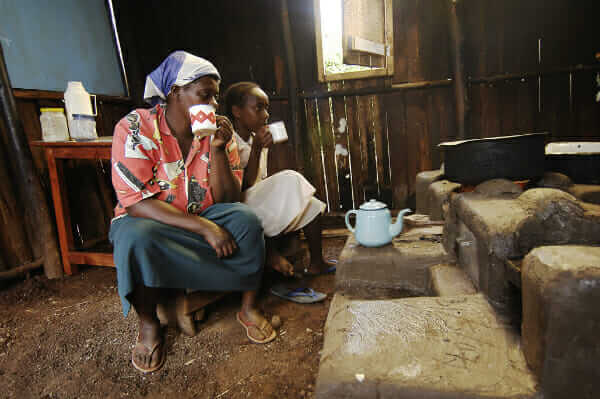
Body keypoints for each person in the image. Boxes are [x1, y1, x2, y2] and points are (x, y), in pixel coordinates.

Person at [109, 52, 276, 374]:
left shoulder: (217, 133)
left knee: (246, 221)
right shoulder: (136, 127)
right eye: (205, 95)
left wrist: (216, 150)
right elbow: (136, 202)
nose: (214, 104)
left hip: (205, 217)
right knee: (134, 236)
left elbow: (230, 198)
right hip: (153, 222)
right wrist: (203, 228)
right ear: (174, 92)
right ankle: (148, 324)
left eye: (215, 95)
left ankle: (248, 307)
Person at [223, 82, 336, 277]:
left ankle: (317, 262)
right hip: (239, 208)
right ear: (237, 111)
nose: (266, 114)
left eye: (266, 108)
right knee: (290, 179)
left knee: (312, 206)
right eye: (258, 108)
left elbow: (276, 175)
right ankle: (269, 254)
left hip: (259, 200)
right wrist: (257, 149)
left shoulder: (255, 137)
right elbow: (244, 186)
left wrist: (279, 146)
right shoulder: (228, 141)